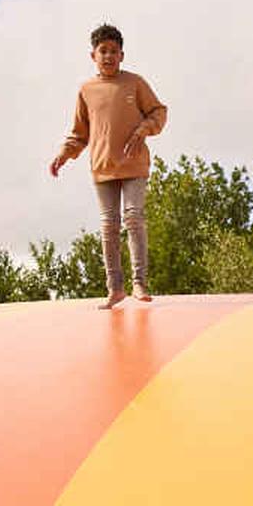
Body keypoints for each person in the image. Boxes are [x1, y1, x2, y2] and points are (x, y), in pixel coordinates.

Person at [49, 25, 167, 308]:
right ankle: (115, 288)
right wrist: (64, 154)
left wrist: (143, 130)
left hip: (134, 164)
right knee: (108, 226)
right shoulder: (86, 90)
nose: (109, 56)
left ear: (122, 55)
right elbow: (80, 133)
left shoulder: (135, 83)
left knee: (134, 218)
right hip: (102, 167)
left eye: (114, 51)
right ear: (93, 55)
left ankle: (139, 283)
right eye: (103, 51)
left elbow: (159, 112)